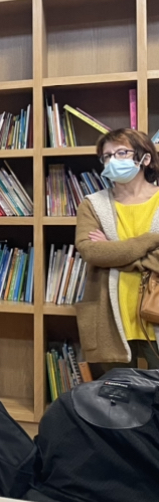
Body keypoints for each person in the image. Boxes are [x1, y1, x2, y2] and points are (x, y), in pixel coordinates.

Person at [74, 128, 159, 369]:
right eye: (107, 156)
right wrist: (152, 241)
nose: (112, 160)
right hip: (109, 319)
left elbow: (106, 254)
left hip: (155, 318)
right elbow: (91, 252)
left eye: (121, 152)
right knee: (115, 401)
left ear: (145, 158)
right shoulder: (92, 204)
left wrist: (114, 251)